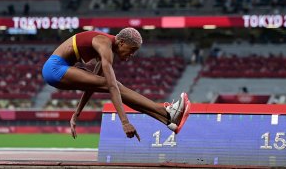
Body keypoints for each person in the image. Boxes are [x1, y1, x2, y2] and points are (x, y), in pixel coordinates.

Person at [42, 28, 190, 141]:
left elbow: (91, 86)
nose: (132, 55)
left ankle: (167, 120)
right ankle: (166, 112)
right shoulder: (103, 44)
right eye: (132, 50)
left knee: (112, 84)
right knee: (115, 85)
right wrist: (125, 122)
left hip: (58, 69)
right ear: (121, 43)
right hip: (54, 69)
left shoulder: (104, 50)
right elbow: (112, 87)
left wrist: (76, 114)